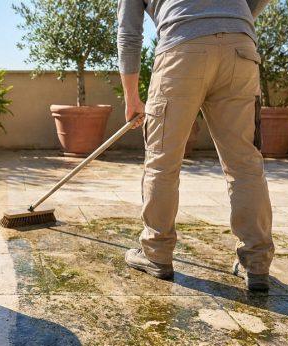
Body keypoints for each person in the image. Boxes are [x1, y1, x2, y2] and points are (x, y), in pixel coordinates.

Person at [117, 0, 275, 291]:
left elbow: (129, 34)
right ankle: (256, 263)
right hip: (240, 48)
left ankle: (156, 254)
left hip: (182, 50)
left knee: (162, 161)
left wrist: (131, 98)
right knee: (245, 164)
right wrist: (228, 19)